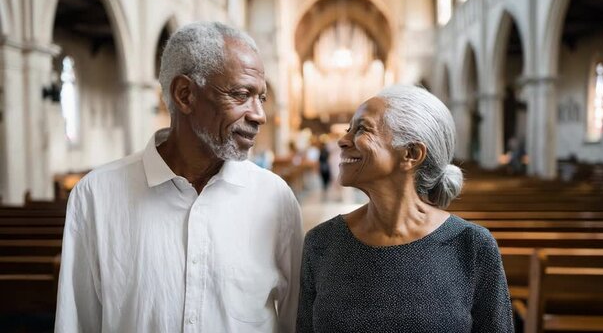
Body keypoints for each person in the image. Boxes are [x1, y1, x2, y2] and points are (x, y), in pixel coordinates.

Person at [55, 22, 303, 333]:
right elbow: (76, 324)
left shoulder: (275, 198)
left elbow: (294, 320)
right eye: (241, 95)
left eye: (261, 98)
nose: (259, 115)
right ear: (185, 95)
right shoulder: (96, 196)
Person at [297, 85, 514, 332]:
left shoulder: (471, 245)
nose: (343, 140)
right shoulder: (322, 241)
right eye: (349, 129)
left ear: (411, 153)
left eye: (362, 129)